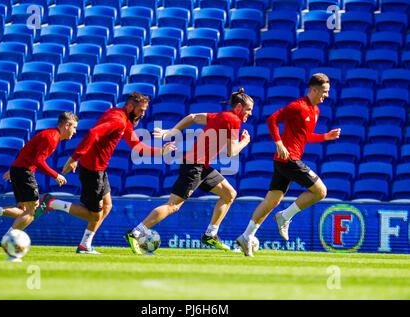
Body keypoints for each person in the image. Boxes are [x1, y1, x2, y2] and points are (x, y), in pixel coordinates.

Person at [34, 91, 176, 254]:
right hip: (92, 170)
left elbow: (138, 147)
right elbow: (94, 133)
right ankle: (52, 203)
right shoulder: (118, 120)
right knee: (94, 215)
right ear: (130, 107)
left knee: (107, 206)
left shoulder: (123, 119)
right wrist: (74, 158)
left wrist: (161, 151)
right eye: (141, 110)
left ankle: (85, 245)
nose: (143, 114)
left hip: (99, 169)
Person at [125, 88, 254, 255]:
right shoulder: (234, 120)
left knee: (229, 194)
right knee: (173, 206)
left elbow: (192, 117)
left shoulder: (220, 116)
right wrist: (245, 141)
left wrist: (172, 131)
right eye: (249, 109)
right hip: (195, 166)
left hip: (202, 166)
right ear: (238, 107)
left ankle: (210, 234)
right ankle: (135, 233)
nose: (250, 113)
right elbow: (231, 151)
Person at [235, 73, 341, 257]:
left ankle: (246, 236)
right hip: (288, 158)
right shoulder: (298, 106)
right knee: (320, 191)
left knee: (271, 201)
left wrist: (325, 136)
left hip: (284, 160)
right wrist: (279, 143)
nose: (326, 95)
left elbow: (305, 136)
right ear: (314, 90)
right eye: (324, 91)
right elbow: (272, 120)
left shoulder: (315, 111)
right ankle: (285, 216)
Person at [0, 112, 79, 236]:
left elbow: (27, 150)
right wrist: (56, 175)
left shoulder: (50, 134)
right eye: (74, 127)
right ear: (67, 125)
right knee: (31, 212)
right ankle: (7, 240)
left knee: (24, 211)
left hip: (19, 169)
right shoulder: (52, 137)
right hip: (24, 171)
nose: (75, 131)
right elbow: (38, 161)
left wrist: (14, 169)